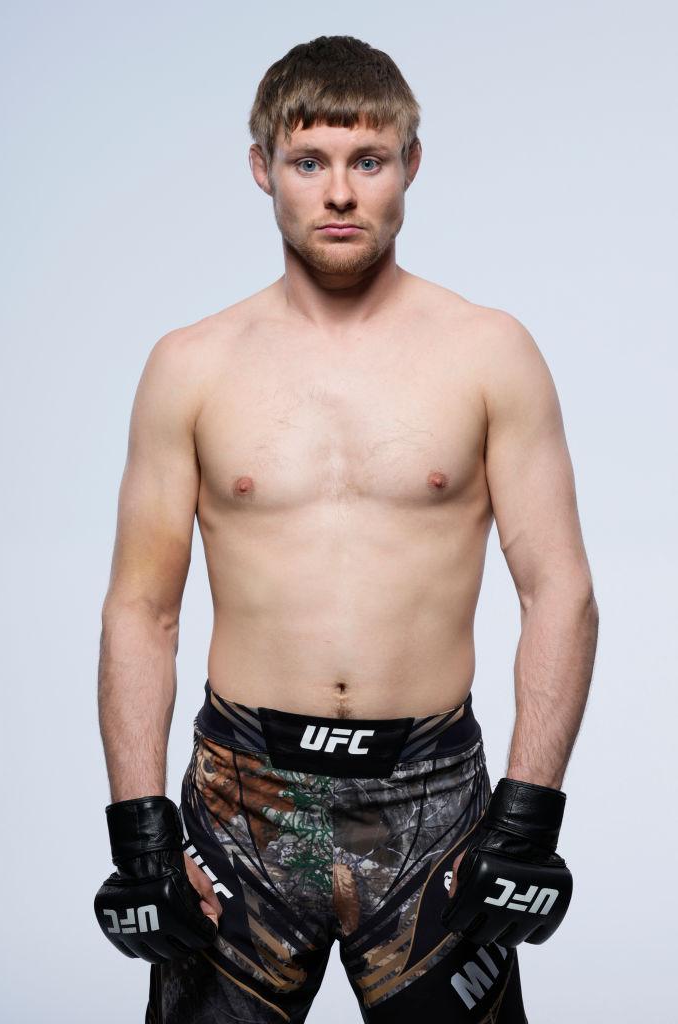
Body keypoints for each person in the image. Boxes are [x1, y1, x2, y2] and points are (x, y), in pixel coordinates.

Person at [94, 34, 598, 1024]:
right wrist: (138, 830)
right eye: (307, 160)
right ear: (261, 168)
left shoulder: (488, 352)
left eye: (365, 160)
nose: (337, 192)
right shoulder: (189, 365)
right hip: (241, 809)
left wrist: (529, 814)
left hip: (431, 814)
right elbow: (141, 609)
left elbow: (559, 591)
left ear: (408, 164)